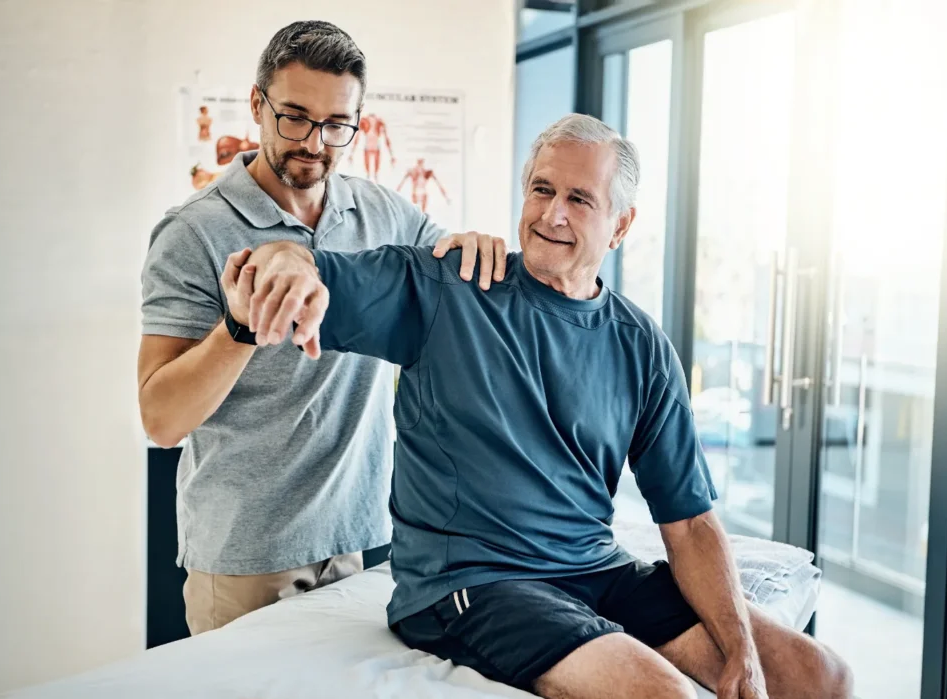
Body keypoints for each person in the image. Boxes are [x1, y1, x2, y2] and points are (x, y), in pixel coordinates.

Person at [232, 113, 854, 699]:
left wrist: (740, 648)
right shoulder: (450, 286)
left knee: (821, 676)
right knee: (661, 691)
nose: (552, 213)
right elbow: (303, 265)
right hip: (470, 580)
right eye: (541, 189)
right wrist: (285, 262)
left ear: (620, 225)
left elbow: (689, 523)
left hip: (594, 570)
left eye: (579, 199)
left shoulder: (641, 344)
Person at [137, 20, 508, 636]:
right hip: (246, 557)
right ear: (257, 105)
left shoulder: (382, 212)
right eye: (295, 117)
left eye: (337, 124)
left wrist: (478, 248)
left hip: (358, 541)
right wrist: (240, 327)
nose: (314, 142)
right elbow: (161, 419)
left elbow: (452, 276)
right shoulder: (193, 233)